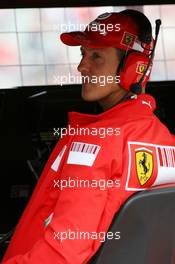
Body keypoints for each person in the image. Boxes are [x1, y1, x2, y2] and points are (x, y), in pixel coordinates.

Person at [2, 9, 175, 264]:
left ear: (132, 67)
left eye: (96, 56)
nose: (82, 66)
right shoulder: (166, 141)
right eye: (83, 54)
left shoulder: (93, 143)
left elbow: (62, 254)